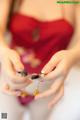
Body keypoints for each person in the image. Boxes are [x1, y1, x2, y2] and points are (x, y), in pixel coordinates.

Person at [0, 0, 80, 120]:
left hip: (48, 88)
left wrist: (73, 55)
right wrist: (2, 51)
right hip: (9, 81)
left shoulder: (71, 2)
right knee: (5, 117)